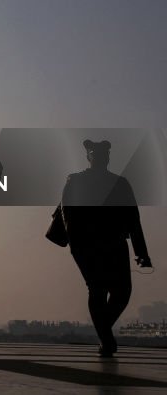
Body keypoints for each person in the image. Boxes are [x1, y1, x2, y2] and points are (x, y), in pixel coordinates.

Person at [62, 139, 152, 357]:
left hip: (115, 245)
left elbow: (133, 218)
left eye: (105, 155)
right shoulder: (75, 181)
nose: (102, 158)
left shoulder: (120, 183)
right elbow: (68, 215)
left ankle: (103, 333)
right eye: (97, 154)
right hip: (87, 247)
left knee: (122, 293)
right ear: (89, 157)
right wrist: (76, 246)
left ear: (108, 158)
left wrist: (141, 252)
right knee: (98, 290)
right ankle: (106, 339)